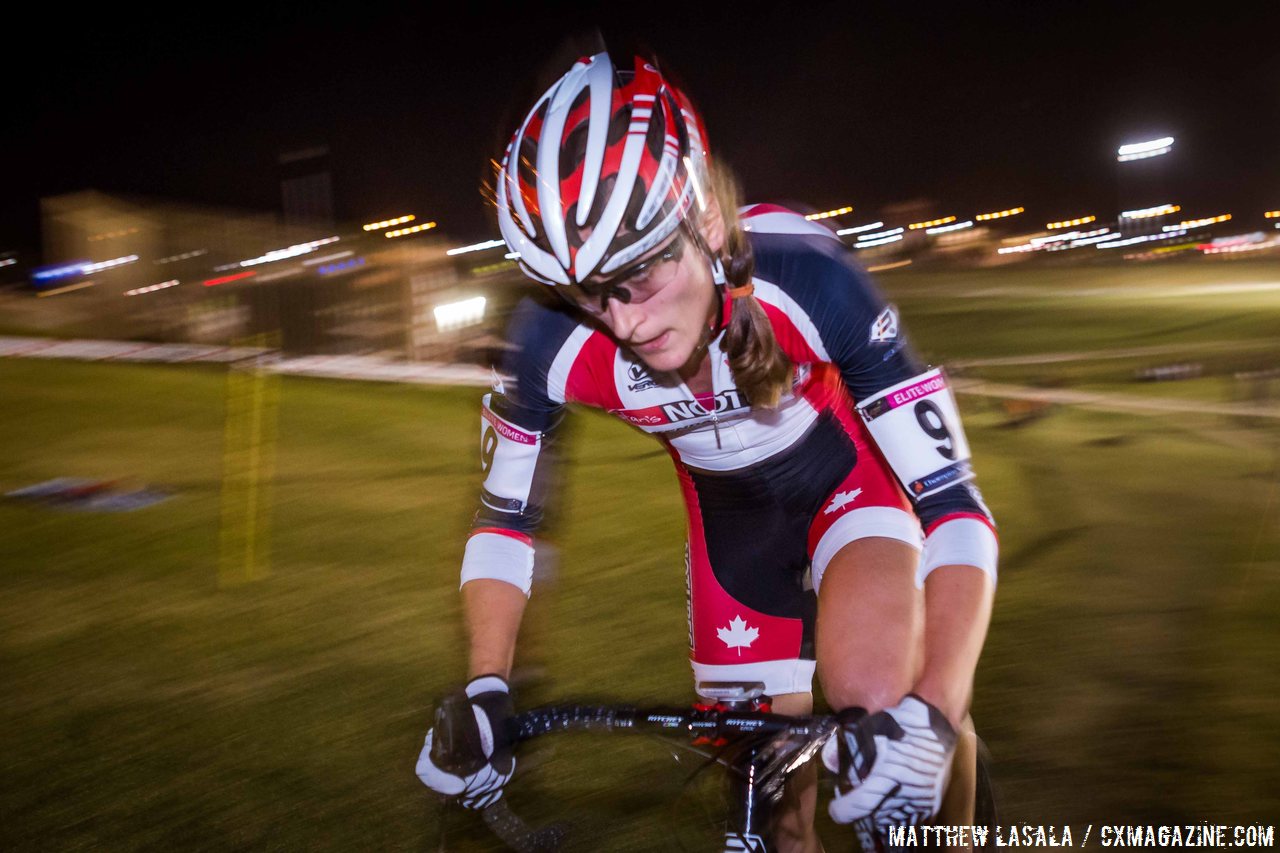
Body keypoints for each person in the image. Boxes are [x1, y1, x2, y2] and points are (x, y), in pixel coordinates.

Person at [416, 50, 998, 852]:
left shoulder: (810, 276)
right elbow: (508, 519)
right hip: (733, 535)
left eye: (642, 276)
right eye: (587, 293)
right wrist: (484, 686)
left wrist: (936, 708)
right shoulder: (548, 339)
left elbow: (955, 505)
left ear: (707, 222)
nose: (623, 323)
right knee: (770, 813)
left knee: (885, 718)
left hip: (847, 489)